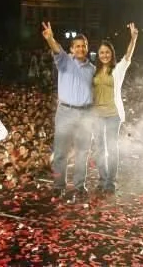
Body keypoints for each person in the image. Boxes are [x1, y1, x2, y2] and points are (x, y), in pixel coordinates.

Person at [41, 21, 95, 199]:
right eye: (77, 46)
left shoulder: (93, 69)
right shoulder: (64, 61)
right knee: (61, 152)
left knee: (82, 153)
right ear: (71, 49)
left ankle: (79, 186)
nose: (80, 49)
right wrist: (50, 38)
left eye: (83, 46)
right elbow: (56, 48)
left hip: (86, 114)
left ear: (87, 48)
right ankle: (58, 186)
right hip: (65, 112)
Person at [92, 22, 138, 194]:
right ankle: (102, 179)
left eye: (107, 52)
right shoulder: (94, 72)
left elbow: (127, 57)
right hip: (97, 115)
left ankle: (110, 182)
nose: (104, 55)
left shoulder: (118, 69)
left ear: (111, 54)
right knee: (99, 149)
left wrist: (133, 39)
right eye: (101, 52)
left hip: (113, 115)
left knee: (111, 148)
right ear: (98, 54)